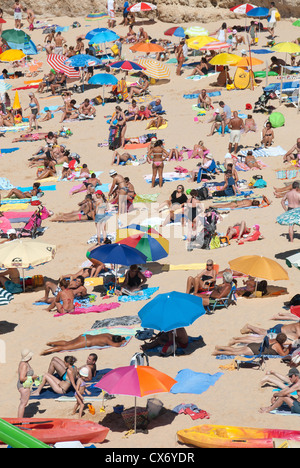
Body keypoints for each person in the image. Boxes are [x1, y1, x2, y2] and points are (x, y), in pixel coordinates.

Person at [213, 332, 291, 357]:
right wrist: (289, 349)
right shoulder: (277, 345)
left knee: (235, 349)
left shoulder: (273, 340)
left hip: (253, 345)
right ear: (283, 341)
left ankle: (219, 347)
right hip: (253, 350)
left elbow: (279, 348)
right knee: (234, 353)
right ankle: (218, 352)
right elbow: (283, 354)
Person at [41, 333, 127, 355]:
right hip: (85, 342)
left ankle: (50, 343)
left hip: (84, 336)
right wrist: (122, 342)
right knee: (66, 347)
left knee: (68, 342)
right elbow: (116, 345)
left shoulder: (108, 335)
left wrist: (121, 338)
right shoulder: (108, 341)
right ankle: (45, 351)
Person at [17, 349, 38, 417]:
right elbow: (22, 378)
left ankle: (20, 421)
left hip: (23, 386)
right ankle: (19, 422)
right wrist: (32, 377)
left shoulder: (24, 363)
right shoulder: (24, 365)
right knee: (23, 404)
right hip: (24, 386)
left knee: (23, 404)